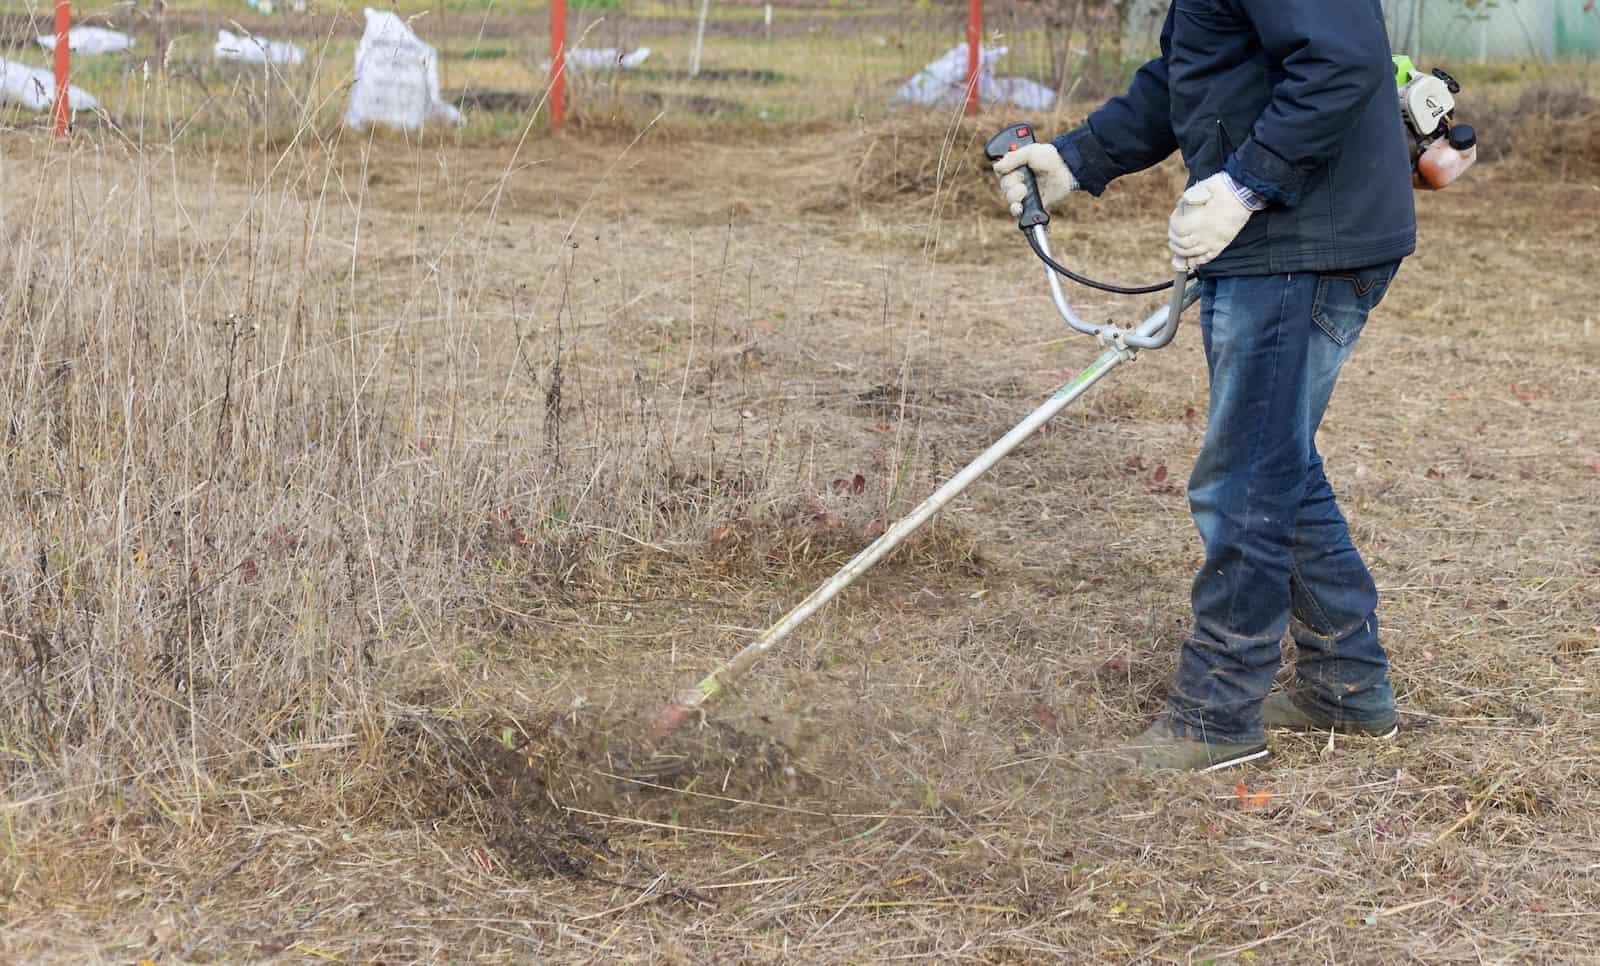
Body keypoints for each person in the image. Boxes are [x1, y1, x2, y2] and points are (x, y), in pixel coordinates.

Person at [993, 0, 1413, 771]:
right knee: (1276, 461)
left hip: (1301, 238)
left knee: (1247, 478)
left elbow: (1343, 61)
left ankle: (1215, 714)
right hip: (1281, 238)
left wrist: (1247, 185)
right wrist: (1078, 158)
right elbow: (1198, 73)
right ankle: (1346, 687)